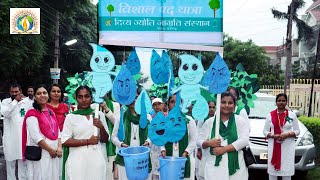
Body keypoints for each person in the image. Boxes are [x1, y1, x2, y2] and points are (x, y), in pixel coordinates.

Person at [197, 91, 250, 180]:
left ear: (234, 105)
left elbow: (244, 140)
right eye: (223, 102)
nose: (226, 105)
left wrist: (224, 149)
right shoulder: (210, 122)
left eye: (230, 103)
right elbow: (198, 141)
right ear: (218, 104)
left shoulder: (239, 120)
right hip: (214, 167)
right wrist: (208, 143)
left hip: (235, 168)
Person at [61, 86, 110, 180]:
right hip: (77, 161)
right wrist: (88, 141)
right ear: (76, 98)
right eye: (80, 97)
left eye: (87, 96)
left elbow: (105, 139)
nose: (84, 100)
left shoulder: (99, 115)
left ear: (91, 98)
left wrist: (101, 127)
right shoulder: (71, 117)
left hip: (96, 160)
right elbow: (65, 141)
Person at [22, 84, 62, 180]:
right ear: (35, 97)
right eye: (39, 93)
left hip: (55, 151)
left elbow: (58, 130)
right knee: (42, 176)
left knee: (54, 175)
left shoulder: (51, 112)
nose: (42, 95)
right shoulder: (32, 113)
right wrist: (50, 150)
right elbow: (36, 137)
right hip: (42, 152)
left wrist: (59, 147)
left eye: (44, 93)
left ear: (48, 95)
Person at [112, 94, 152, 180]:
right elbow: (113, 137)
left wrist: (148, 142)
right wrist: (121, 144)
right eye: (131, 97)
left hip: (142, 157)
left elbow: (152, 135)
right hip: (125, 159)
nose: (133, 100)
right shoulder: (121, 117)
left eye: (136, 97)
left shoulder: (147, 117)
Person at [263, 93, 300, 180]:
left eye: (283, 100)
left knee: (286, 173)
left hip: (287, 148)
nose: (281, 102)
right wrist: (272, 135)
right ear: (276, 102)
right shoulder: (270, 115)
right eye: (279, 100)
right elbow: (265, 131)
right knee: (272, 174)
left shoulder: (291, 115)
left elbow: (297, 131)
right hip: (273, 146)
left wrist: (288, 134)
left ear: (286, 102)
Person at [1, 83, 32, 180]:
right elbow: (6, 113)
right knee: (10, 164)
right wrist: (15, 101)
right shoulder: (5, 102)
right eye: (12, 92)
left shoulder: (27, 102)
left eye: (16, 92)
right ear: (9, 92)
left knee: (23, 164)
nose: (14, 93)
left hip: (22, 139)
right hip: (10, 139)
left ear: (21, 92)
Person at [164, 94, 197, 180]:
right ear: (168, 105)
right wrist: (162, 150)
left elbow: (194, 139)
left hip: (184, 158)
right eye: (172, 102)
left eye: (179, 102)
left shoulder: (189, 120)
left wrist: (186, 152)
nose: (175, 104)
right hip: (168, 159)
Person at [99, 94, 120, 180]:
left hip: (111, 144)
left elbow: (117, 123)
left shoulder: (115, 105)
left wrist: (107, 109)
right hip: (96, 143)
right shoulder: (92, 105)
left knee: (109, 172)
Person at [196, 100, 216, 180]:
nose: (211, 109)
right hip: (203, 147)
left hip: (214, 148)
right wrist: (199, 149)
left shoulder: (218, 119)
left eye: (213, 107)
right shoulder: (202, 118)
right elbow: (198, 134)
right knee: (202, 168)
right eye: (209, 107)